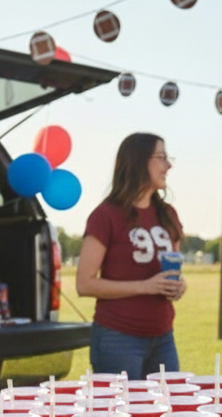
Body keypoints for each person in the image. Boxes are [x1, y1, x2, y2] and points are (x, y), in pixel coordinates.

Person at [76, 133, 186, 377]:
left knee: (168, 401)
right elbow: (84, 284)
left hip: (163, 337)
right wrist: (145, 287)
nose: (168, 165)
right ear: (138, 161)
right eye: (161, 157)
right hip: (118, 338)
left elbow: (173, 268)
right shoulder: (106, 215)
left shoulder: (168, 214)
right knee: (123, 404)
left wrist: (178, 285)